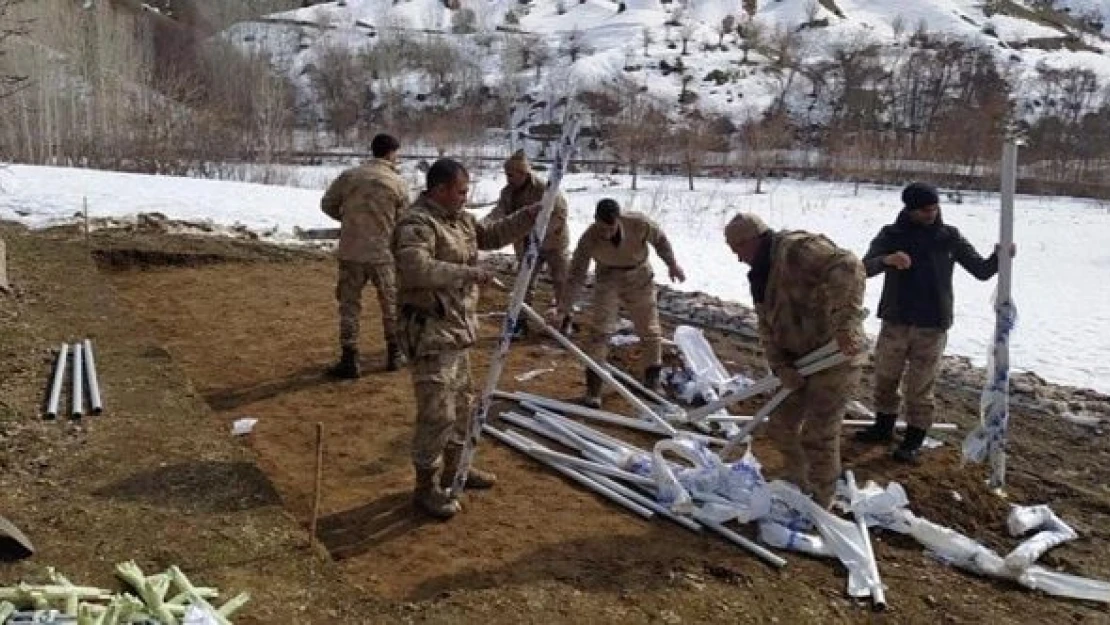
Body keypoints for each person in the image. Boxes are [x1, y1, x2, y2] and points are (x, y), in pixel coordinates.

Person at [393, 158, 542, 519]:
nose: (466, 196)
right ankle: (425, 487)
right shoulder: (417, 223)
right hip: (429, 333)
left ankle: (456, 469)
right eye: (461, 191)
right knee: (437, 414)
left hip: (457, 331)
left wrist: (532, 214)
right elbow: (415, 268)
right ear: (440, 189)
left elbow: (489, 234)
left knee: (464, 408)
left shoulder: (459, 218)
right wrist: (468, 273)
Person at [856, 182, 1013, 462]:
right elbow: (862, 269)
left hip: (933, 324)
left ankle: (913, 440)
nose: (931, 213)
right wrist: (888, 260)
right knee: (885, 377)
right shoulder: (891, 234)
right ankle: (883, 427)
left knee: (920, 386)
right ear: (910, 209)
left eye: (934, 208)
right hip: (896, 320)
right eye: (924, 210)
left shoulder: (948, 236)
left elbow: (980, 270)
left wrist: (1000, 258)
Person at [724, 212, 866, 508]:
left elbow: (848, 266)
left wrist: (845, 324)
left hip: (834, 357)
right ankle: (797, 480)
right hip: (797, 360)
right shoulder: (759, 276)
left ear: (752, 240)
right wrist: (780, 365)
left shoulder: (798, 249)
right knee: (780, 426)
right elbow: (766, 326)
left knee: (819, 435)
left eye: (738, 250)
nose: (738, 259)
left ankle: (821, 500)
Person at [559, 199, 685, 408]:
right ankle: (593, 389)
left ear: (618, 220)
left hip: (639, 276)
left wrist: (672, 264)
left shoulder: (638, 223)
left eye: (610, 228)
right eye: (601, 228)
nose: (606, 233)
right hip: (608, 278)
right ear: (595, 221)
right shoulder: (589, 238)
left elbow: (660, 240)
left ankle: (652, 381)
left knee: (650, 330)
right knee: (600, 331)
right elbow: (576, 274)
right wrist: (564, 307)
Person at [320, 133, 411, 377]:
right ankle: (394, 354)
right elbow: (405, 220)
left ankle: (349, 359)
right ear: (392, 153)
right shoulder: (398, 182)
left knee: (349, 306)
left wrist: (349, 221)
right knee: (390, 304)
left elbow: (327, 204)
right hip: (383, 253)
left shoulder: (350, 176)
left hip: (351, 251)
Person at [483, 149, 571, 337]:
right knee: (524, 282)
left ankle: (564, 319)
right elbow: (499, 211)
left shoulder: (545, 188)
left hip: (553, 243)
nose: (508, 178)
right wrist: (484, 224)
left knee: (561, 281)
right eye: (506, 174)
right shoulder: (507, 192)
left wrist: (539, 233)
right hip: (526, 245)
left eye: (511, 175)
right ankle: (521, 321)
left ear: (523, 173)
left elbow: (560, 213)